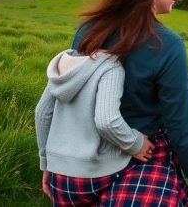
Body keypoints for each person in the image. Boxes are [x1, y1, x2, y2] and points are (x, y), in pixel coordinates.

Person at [46, 0, 188, 206]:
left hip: (81, 161)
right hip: (140, 153)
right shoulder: (167, 45)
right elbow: (183, 127)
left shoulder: (88, 30)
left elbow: (63, 104)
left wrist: (51, 163)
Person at [35, 48, 156, 205]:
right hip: (93, 175)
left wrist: (46, 163)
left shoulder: (65, 61)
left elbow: (42, 113)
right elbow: (107, 121)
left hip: (59, 178)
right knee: (157, 171)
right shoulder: (111, 65)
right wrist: (136, 144)